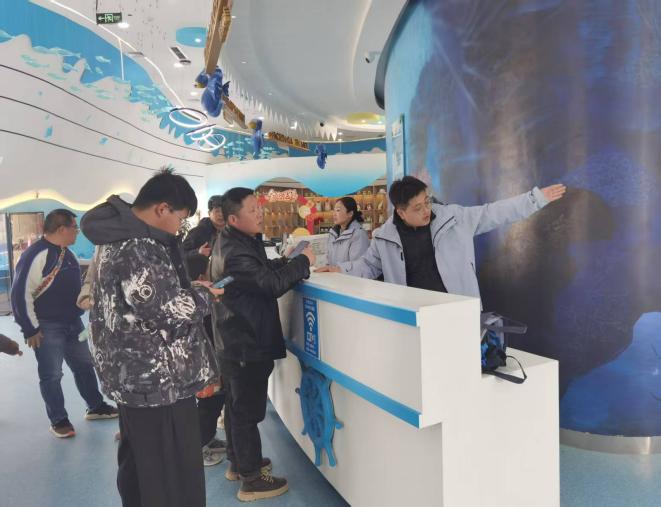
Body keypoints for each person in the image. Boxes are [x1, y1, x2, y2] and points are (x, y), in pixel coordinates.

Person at [80, 170, 224, 507]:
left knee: (140, 465)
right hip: (158, 381)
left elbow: (142, 300)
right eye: (180, 218)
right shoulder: (139, 247)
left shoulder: (113, 239)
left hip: (131, 375)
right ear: (162, 208)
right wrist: (206, 296)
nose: (179, 227)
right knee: (170, 474)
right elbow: (165, 310)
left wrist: (186, 289)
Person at [211, 187, 315, 502]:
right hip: (245, 342)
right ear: (233, 218)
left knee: (236, 407)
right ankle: (252, 480)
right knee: (246, 413)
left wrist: (288, 261)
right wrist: (303, 262)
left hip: (236, 340)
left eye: (259, 207)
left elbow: (261, 272)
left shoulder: (237, 241)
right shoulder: (237, 251)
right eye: (253, 209)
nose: (260, 213)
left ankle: (239, 463)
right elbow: (270, 285)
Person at [318, 176, 567, 298]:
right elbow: (367, 266)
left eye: (426, 202)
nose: (426, 210)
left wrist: (534, 199)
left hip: (457, 310)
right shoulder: (384, 237)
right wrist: (340, 270)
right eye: (418, 208)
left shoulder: (454, 219)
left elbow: (494, 213)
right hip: (414, 318)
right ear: (401, 212)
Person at [10, 209, 117, 438]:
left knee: (84, 365)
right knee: (52, 374)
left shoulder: (68, 254)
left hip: (73, 323)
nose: (77, 232)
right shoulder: (35, 255)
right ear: (61, 229)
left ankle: (95, 406)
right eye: (74, 228)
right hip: (46, 326)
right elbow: (20, 294)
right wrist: (30, 329)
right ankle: (59, 420)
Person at [185, 252, 227, 468]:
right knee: (207, 405)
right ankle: (199, 448)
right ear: (202, 275)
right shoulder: (199, 298)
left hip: (210, 362)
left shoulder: (191, 294)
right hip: (205, 364)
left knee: (213, 402)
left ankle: (208, 439)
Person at [326, 196, 370, 265]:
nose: (334, 214)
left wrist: (335, 270)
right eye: (334, 210)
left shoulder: (358, 235)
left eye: (338, 210)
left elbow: (357, 266)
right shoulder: (333, 233)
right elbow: (328, 260)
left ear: (350, 214)